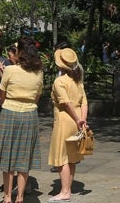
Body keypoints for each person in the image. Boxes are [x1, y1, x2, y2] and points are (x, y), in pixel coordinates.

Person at [0, 37, 43, 203]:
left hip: (9, 113)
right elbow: (37, 97)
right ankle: (20, 196)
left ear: (20, 52)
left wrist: (11, 103)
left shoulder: (10, 70)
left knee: (8, 156)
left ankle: (7, 197)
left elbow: (2, 95)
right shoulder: (39, 72)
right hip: (29, 115)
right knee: (24, 157)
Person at [47, 48, 88, 203]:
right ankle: (67, 189)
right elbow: (84, 101)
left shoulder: (60, 81)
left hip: (65, 119)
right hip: (77, 120)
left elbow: (66, 103)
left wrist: (77, 119)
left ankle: (65, 191)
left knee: (61, 157)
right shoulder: (78, 81)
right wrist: (82, 120)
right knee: (71, 157)